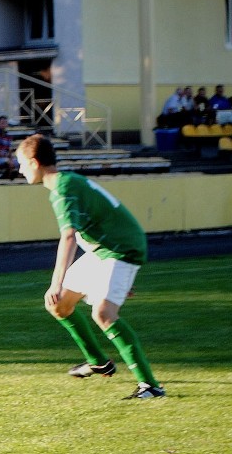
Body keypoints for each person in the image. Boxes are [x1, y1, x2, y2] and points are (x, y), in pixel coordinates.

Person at [14, 134, 165, 400]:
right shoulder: (66, 183)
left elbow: (69, 236)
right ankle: (98, 362)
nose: (19, 169)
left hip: (121, 250)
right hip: (104, 250)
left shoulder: (63, 188)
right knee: (58, 304)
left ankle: (150, 386)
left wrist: (56, 280)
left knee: (103, 313)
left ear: (35, 162)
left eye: (22, 164)